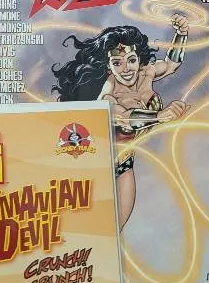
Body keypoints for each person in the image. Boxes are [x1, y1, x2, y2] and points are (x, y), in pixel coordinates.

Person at [52, 17, 190, 228]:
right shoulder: (108, 93)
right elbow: (124, 118)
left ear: (139, 59)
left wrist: (181, 34)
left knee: (116, 230)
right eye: (117, 63)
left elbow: (172, 64)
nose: (126, 69)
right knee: (85, 230)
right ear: (109, 67)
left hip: (124, 165)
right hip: (95, 166)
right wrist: (159, 116)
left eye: (131, 60)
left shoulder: (147, 72)